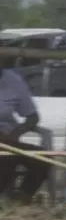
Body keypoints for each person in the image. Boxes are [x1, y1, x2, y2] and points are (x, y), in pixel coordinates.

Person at [0, 68, 48, 204]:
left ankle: (21, 200)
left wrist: (17, 132)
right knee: (6, 158)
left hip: (8, 139)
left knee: (43, 158)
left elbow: (33, 117)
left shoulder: (12, 79)